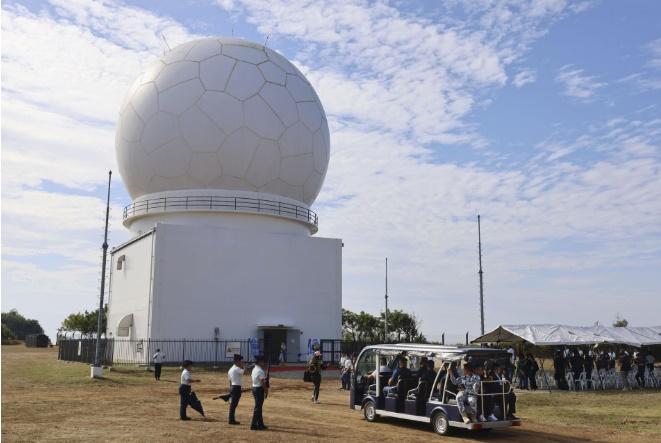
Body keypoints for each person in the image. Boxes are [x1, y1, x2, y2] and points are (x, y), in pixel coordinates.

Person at [225, 354, 245, 425]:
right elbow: (243, 372)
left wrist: (231, 388)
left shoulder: (230, 369)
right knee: (234, 405)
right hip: (236, 387)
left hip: (232, 386)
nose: (241, 362)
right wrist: (242, 366)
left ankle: (231, 419)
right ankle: (231, 420)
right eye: (240, 361)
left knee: (233, 405)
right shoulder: (237, 368)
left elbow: (229, 380)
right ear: (237, 361)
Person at [251, 355, 268, 430]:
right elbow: (262, 382)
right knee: (258, 408)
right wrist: (266, 390)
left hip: (254, 388)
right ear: (260, 362)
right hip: (259, 389)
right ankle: (253, 425)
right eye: (263, 361)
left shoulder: (254, 369)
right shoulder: (260, 371)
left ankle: (260, 424)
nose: (264, 363)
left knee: (259, 407)